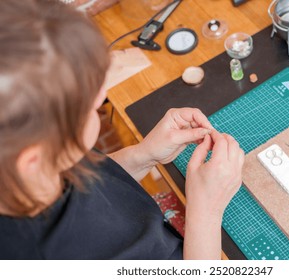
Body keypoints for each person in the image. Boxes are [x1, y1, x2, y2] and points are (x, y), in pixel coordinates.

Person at [0, 0, 244, 259]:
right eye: (92, 108)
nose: (103, 96)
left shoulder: (26, 170)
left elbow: (88, 187)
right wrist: (206, 210)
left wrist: (145, 154)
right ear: (32, 160)